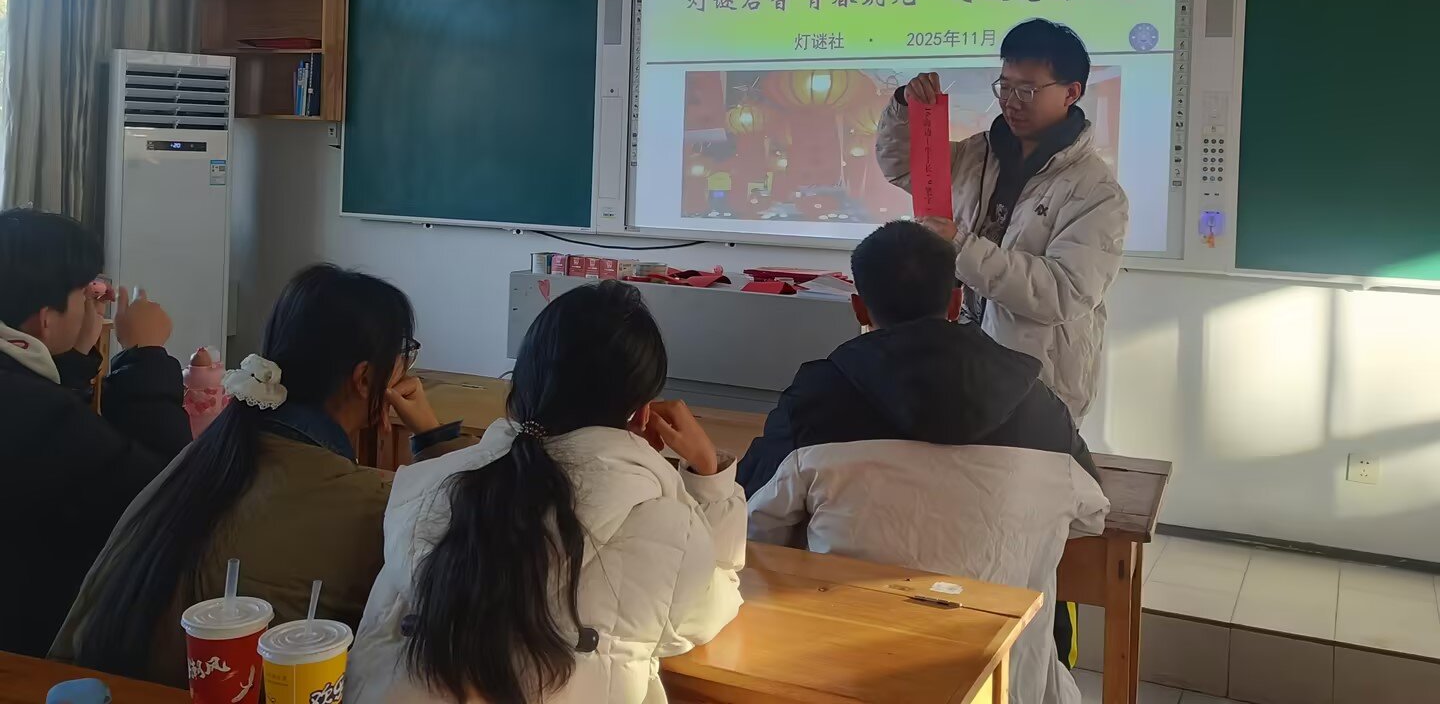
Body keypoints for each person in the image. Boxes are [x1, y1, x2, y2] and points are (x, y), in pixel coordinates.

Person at [52, 264, 472, 686]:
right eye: (403, 355)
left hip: (71, 684)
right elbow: (476, 544)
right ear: (364, 379)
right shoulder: (372, 504)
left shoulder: (206, 456)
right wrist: (433, 436)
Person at [742, 220, 1108, 704]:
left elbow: (750, 521)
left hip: (848, 679)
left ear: (858, 307)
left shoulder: (817, 400)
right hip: (1007, 684)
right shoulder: (1040, 407)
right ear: (956, 303)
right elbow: (1092, 516)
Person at [349, 280, 745, 704]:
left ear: (520, 385)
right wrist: (709, 474)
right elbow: (717, 602)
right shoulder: (669, 529)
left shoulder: (419, 489)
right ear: (643, 413)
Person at [876, 18, 1129, 421]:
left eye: (1027, 90)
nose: (1011, 101)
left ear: (1071, 93)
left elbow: (1063, 292)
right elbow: (902, 167)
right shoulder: (978, 154)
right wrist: (905, 108)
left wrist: (959, 246)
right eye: (1005, 87)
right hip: (960, 359)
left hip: (1038, 381)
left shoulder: (1096, 192)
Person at [0, 207, 190, 657]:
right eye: (82, 295)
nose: (92, 304)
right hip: (34, 647)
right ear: (45, 320)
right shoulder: (39, 414)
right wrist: (145, 355)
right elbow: (163, 495)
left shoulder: (25, 393)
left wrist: (71, 363)